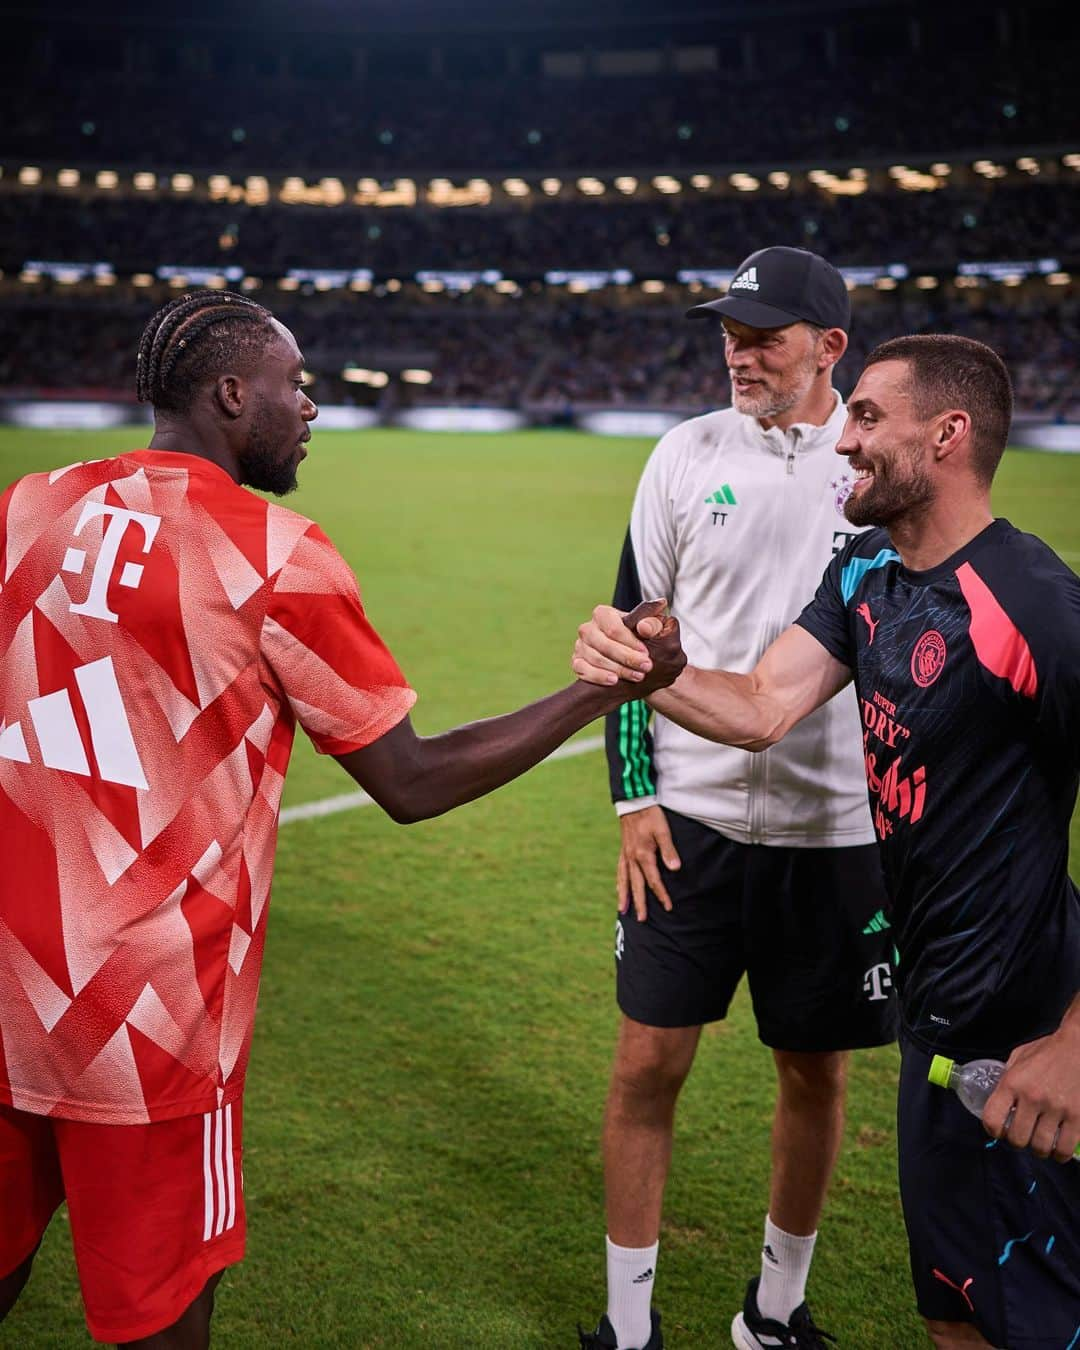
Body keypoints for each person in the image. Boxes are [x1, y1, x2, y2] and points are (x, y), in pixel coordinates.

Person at [0, 290, 685, 1349]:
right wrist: (605, 689)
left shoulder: (30, 505)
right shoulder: (273, 554)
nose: (312, 406)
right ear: (233, 394)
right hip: (151, 1022)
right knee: (160, 1318)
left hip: (8, 988)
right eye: (295, 383)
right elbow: (410, 781)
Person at [573, 333, 1080, 1350]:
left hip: (1032, 1040)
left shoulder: (1034, 606)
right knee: (958, 1315)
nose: (841, 439)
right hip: (937, 1025)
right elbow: (763, 703)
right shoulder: (867, 575)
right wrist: (649, 670)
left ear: (946, 436)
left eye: (866, 420)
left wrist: (1076, 1041)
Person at [579, 247, 897, 1350]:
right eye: (730, 330)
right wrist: (633, 801)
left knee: (815, 1073)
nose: (739, 350)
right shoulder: (682, 453)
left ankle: (774, 1311)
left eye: (764, 333)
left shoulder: (875, 467)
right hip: (690, 823)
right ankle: (628, 1329)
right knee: (646, 1064)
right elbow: (630, 635)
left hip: (839, 833)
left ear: (829, 349)